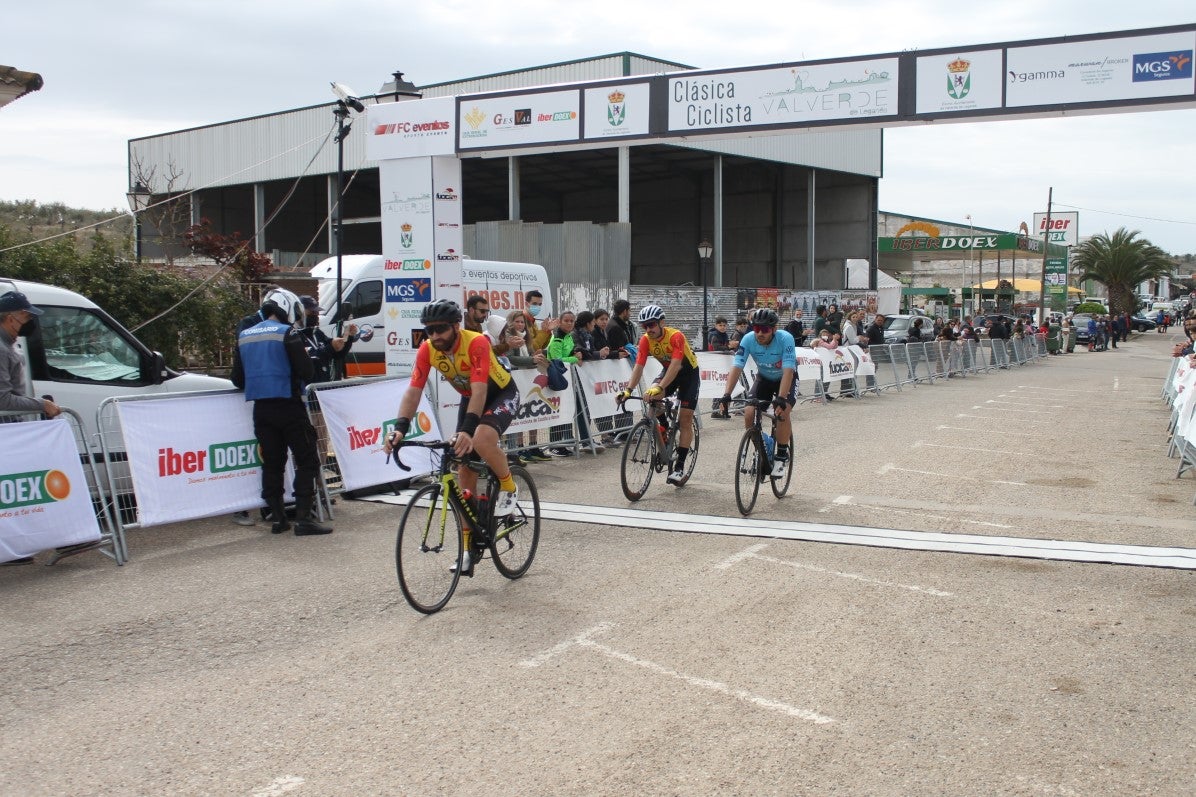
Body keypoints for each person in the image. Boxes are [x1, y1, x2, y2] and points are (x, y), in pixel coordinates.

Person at [385, 300, 521, 545]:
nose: (435, 335)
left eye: (441, 329)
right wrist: (399, 428)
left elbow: (480, 390)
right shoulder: (427, 349)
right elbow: (413, 391)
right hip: (470, 398)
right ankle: (469, 544)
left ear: (456, 326)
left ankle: (509, 486)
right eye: (429, 330)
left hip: (499, 393)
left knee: (480, 438)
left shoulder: (476, 342)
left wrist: (467, 432)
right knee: (463, 471)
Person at [230, 294, 332, 536]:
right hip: (289, 406)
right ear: (287, 307)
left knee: (272, 464)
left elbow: (237, 379)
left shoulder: (245, 335)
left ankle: (278, 519)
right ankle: (304, 519)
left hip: (261, 411)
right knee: (307, 460)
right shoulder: (287, 333)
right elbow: (306, 371)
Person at [617, 305, 700, 486]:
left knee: (685, 419)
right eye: (644, 326)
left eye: (652, 324)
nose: (649, 329)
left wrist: (660, 387)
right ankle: (664, 430)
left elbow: (677, 365)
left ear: (661, 322)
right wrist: (628, 390)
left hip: (687, 375)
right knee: (651, 396)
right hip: (667, 371)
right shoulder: (646, 340)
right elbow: (638, 366)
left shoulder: (675, 336)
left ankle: (679, 467)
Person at [718, 308, 796, 478]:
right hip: (764, 379)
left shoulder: (785, 338)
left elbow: (789, 369)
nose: (760, 333)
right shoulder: (748, 339)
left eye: (765, 330)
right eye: (756, 329)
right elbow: (737, 366)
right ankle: (763, 447)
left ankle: (781, 456)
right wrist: (726, 394)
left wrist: (782, 398)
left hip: (785, 378)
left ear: (774, 329)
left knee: (783, 412)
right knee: (749, 413)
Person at [0, 291, 60, 420]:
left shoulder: (9, 344)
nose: (30, 321)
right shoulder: (1, 349)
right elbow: (2, 400)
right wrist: (43, 405)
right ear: (10, 319)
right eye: (26, 317)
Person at [297, 295, 357, 384]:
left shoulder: (317, 332)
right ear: (299, 312)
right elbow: (312, 357)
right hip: (307, 388)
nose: (316, 315)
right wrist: (331, 347)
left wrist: (348, 337)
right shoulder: (294, 335)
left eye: (317, 312)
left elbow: (338, 354)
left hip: (322, 386)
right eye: (312, 312)